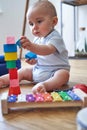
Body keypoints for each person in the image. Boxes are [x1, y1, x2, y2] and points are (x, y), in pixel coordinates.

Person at [0, 0, 70, 94]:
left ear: (54, 21)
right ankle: (3, 80)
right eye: (31, 24)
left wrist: (31, 46)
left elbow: (47, 50)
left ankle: (45, 85)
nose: (34, 27)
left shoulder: (55, 37)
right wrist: (34, 60)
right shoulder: (37, 39)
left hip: (55, 72)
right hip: (39, 70)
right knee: (24, 71)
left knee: (64, 74)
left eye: (39, 21)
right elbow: (40, 56)